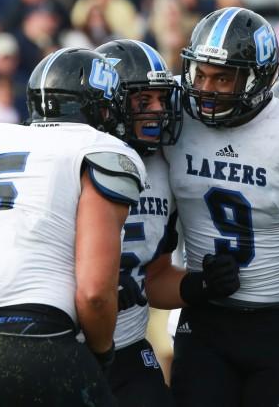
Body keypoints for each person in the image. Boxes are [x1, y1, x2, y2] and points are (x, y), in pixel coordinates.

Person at [0, 49, 145, 406]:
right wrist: (102, 351)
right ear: (98, 105)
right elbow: (94, 292)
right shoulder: (97, 148)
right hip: (39, 344)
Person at [161, 7, 279, 407]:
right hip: (205, 316)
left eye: (223, 77)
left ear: (260, 78)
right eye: (200, 74)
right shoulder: (173, 111)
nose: (206, 88)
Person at [95, 39, 186, 407]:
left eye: (161, 100)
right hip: (68, 344)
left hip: (129, 343)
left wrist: (202, 286)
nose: (157, 111)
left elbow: (156, 275)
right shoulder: (73, 156)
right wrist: (100, 280)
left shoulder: (165, 167)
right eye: (143, 101)